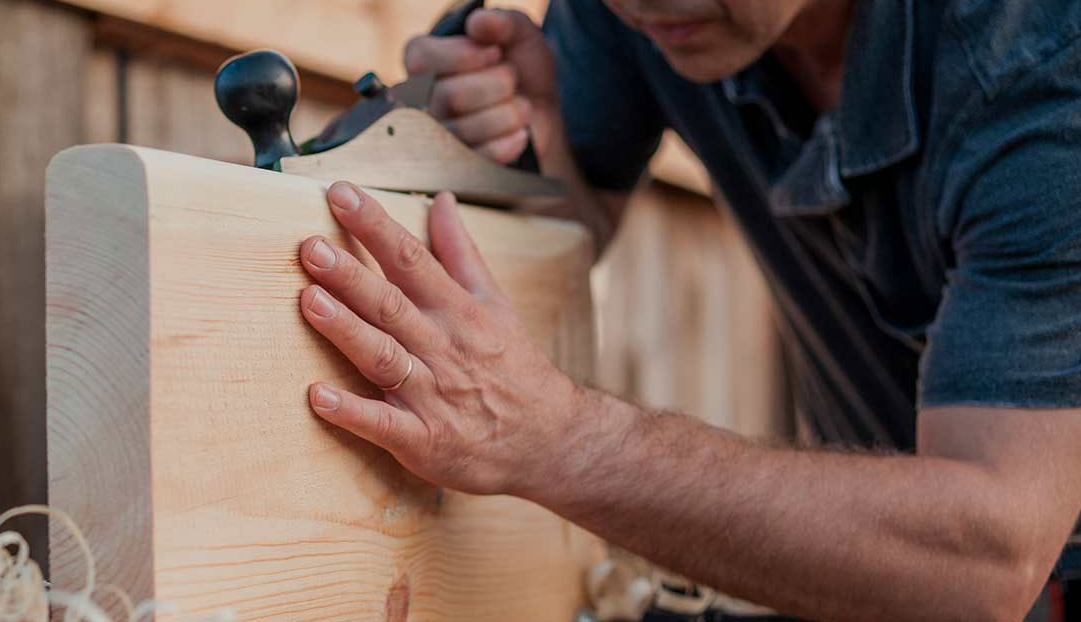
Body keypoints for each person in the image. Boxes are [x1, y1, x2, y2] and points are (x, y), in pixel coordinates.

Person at [292, 0, 1081, 620]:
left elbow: (987, 566)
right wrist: (540, 149)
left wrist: (563, 441)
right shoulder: (646, 12)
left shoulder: (1044, 69)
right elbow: (562, 241)